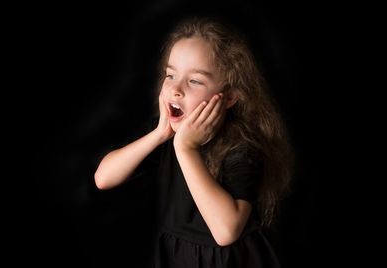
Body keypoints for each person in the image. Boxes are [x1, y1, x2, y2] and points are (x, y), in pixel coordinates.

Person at [94, 16, 293, 268]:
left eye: (195, 80)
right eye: (170, 75)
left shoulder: (242, 147)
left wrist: (186, 149)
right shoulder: (165, 135)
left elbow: (226, 232)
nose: (176, 89)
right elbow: (103, 178)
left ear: (230, 96)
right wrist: (159, 134)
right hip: (176, 256)